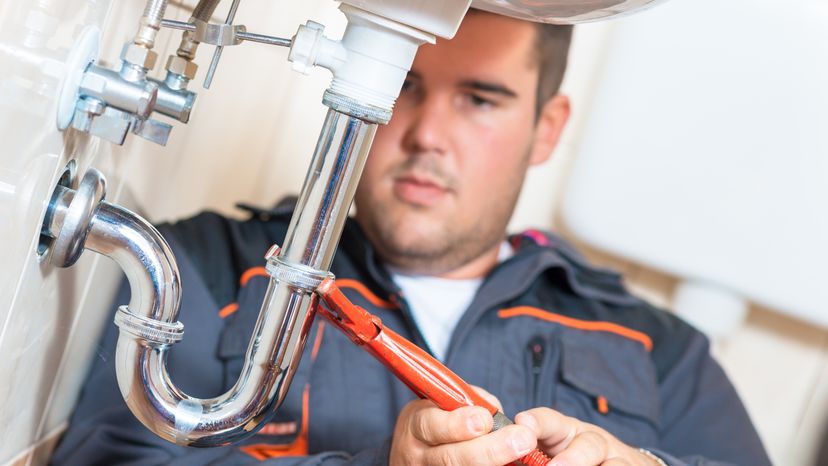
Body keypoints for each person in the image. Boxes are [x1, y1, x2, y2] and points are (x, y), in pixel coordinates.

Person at [51, 9, 771, 466]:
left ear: (546, 129)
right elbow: (110, 458)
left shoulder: (659, 351)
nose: (428, 135)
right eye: (405, 87)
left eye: (480, 100)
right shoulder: (201, 268)